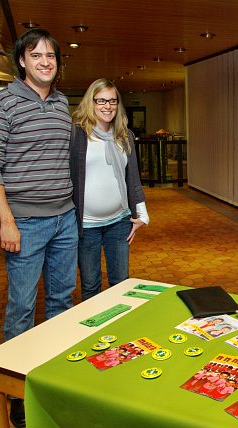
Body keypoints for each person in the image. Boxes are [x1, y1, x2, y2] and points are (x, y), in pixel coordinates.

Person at [0, 28, 77, 428]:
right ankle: (18, 393)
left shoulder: (62, 103)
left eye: (50, 55)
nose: (45, 62)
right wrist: (7, 221)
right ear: (22, 61)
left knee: (62, 303)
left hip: (65, 218)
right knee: (21, 309)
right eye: (36, 55)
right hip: (26, 223)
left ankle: (52, 382)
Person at [70, 78, 148, 300]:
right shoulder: (77, 135)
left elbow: (133, 178)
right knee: (90, 285)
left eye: (112, 101)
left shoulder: (124, 135)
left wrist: (142, 215)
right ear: (91, 102)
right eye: (101, 100)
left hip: (119, 222)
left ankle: (120, 321)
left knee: (121, 283)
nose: (108, 106)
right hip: (86, 226)